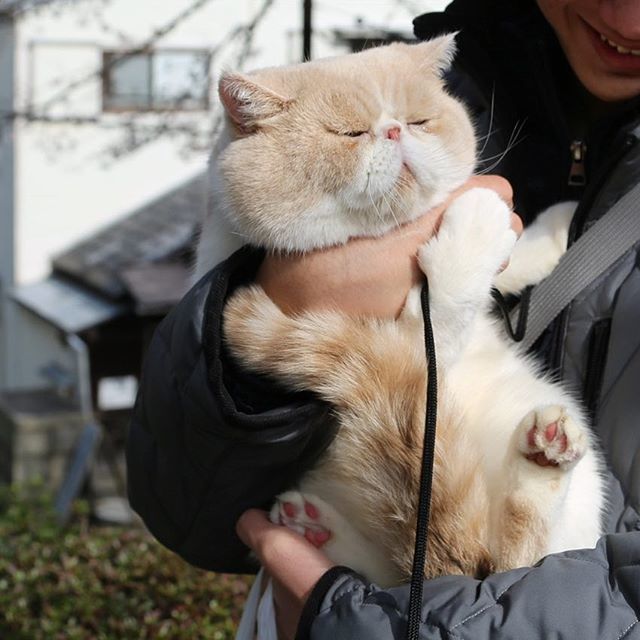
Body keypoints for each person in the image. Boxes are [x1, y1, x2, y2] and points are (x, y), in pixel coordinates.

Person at [126, 0, 640, 638]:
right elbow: (180, 503)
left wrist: (349, 619)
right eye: (351, 136)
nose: (627, 21)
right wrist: (301, 301)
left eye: (417, 123)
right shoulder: (449, 72)